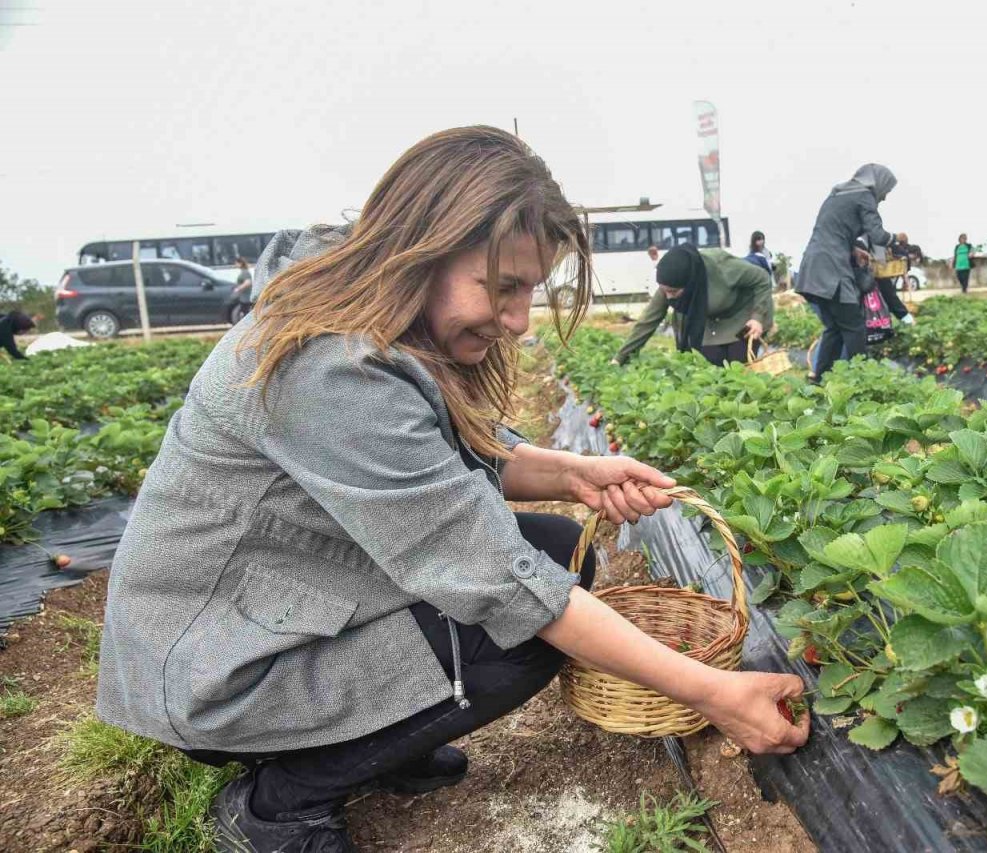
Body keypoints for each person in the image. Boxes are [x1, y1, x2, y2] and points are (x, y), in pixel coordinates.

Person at [94, 127, 807, 853]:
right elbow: (505, 583)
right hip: (218, 667)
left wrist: (573, 473)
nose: (521, 320)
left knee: (557, 553)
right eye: (502, 287)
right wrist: (713, 692)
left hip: (282, 599)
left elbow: (446, 462)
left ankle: (379, 738)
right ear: (422, 250)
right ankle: (280, 802)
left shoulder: (368, 321)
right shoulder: (327, 367)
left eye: (528, 289)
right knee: (522, 621)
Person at [796, 163, 897, 380]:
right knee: (854, 327)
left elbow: (832, 230)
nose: (885, 197)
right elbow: (878, 236)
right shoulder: (864, 196)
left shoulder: (838, 193)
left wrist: (854, 248)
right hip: (832, 270)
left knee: (834, 329)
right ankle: (863, 381)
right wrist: (897, 241)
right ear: (878, 183)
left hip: (813, 266)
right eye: (886, 191)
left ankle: (819, 381)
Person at [614, 244, 772, 367]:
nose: (669, 297)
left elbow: (762, 278)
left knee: (739, 367)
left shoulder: (723, 268)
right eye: (665, 291)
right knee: (710, 366)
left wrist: (757, 317)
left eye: (673, 292)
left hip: (743, 316)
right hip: (712, 324)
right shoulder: (670, 285)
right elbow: (647, 322)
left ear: (689, 283)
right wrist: (619, 358)